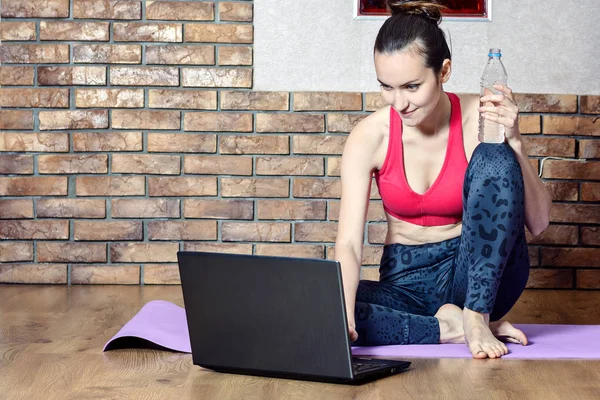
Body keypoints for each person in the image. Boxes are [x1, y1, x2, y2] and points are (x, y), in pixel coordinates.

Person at [334, 0, 552, 359]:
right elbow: (349, 245)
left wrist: (514, 140)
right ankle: (449, 327)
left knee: (494, 155)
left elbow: (539, 223)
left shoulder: (480, 117)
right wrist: (341, 317)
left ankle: (477, 317)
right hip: (406, 283)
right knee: (325, 307)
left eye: (411, 86)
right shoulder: (369, 135)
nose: (399, 102)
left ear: (444, 70)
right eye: (387, 87)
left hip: (478, 274)